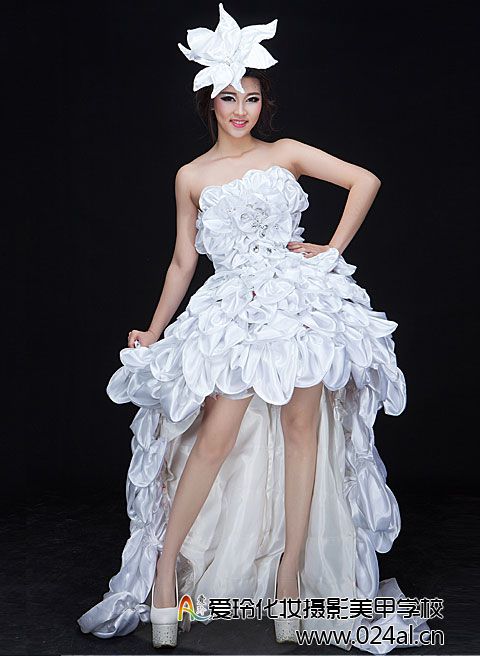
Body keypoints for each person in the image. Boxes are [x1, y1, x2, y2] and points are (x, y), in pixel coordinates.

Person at [77, 4, 431, 653]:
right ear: (209, 102)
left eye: (252, 97)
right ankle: (164, 574)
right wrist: (153, 331)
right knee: (216, 435)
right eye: (228, 97)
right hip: (232, 308)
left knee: (303, 432)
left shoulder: (285, 152)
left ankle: (289, 580)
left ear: (263, 103)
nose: (240, 109)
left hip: (299, 302)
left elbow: (365, 181)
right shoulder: (191, 175)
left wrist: (330, 250)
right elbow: (183, 261)